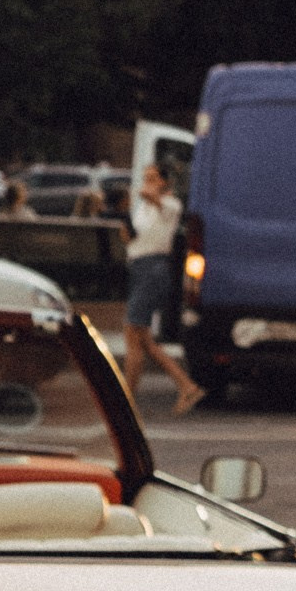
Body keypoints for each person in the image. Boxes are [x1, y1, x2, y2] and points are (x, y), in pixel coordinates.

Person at [121, 164, 202, 414]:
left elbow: (151, 197)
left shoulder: (170, 205)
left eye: (153, 178)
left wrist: (144, 190)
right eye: (145, 178)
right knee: (143, 339)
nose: (147, 182)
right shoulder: (144, 208)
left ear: (165, 182)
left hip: (153, 269)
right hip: (139, 267)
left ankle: (126, 400)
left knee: (132, 333)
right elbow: (133, 239)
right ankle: (186, 385)